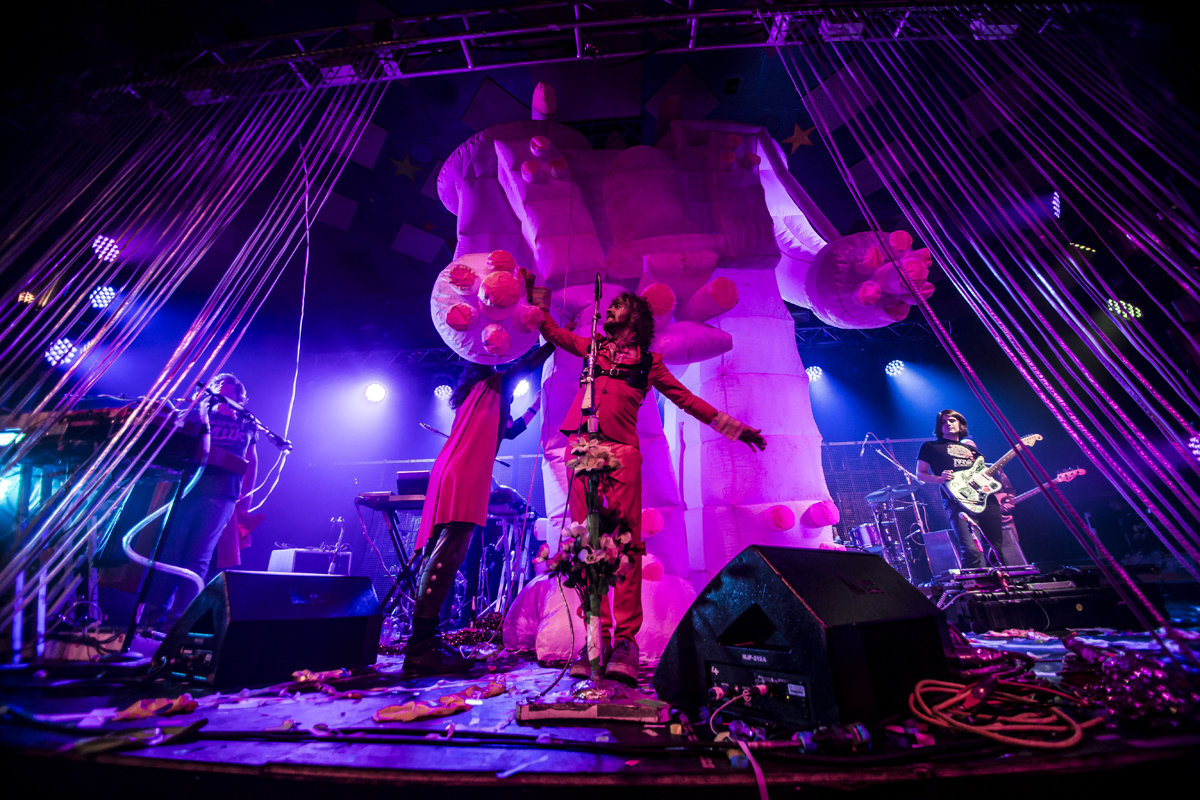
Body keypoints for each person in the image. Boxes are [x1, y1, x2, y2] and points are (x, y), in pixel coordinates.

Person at [536, 289, 767, 684]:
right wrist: (535, 298)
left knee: (624, 547)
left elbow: (687, 399)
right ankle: (594, 638)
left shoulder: (648, 362)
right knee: (588, 546)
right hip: (584, 446)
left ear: (636, 318)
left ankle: (625, 642)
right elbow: (553, 332)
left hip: (622, 452)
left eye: (617, 306)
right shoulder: (592, 347)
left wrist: (735, 428)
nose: (608, 309)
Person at [404, 343, 554, 676]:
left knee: (444, 557)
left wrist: (536, 407)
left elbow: (511, 432)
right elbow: (525, 367)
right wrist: (556, 340)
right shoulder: (493, 384)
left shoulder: (482, 394)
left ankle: (426, 640)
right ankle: (420, 648)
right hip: (464, 475)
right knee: (444, 560)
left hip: (457, 472)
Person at [142, 373, 258, 628]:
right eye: (218, 392)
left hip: (223, 495)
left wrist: (245, 502)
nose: (224, 397)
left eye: (230, 394)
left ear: (239, 398)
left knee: (200, 557)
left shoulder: (248, 423)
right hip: (188, 490)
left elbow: (251, 461)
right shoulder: (198, 414)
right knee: (170, 551)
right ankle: (152, 617)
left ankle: (181, 621)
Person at [915, 409, 1006, 569]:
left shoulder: (971, 449)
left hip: (986, 499)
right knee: (971, 550)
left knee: (995, 548)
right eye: (943, 422)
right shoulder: (931, 446)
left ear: (960, 423)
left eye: (952, 420)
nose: (948, 424)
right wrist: (939, 478)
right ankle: (974, 590)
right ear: (939, 426)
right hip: (958, 500)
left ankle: (1003, 585)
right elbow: (920, 474)